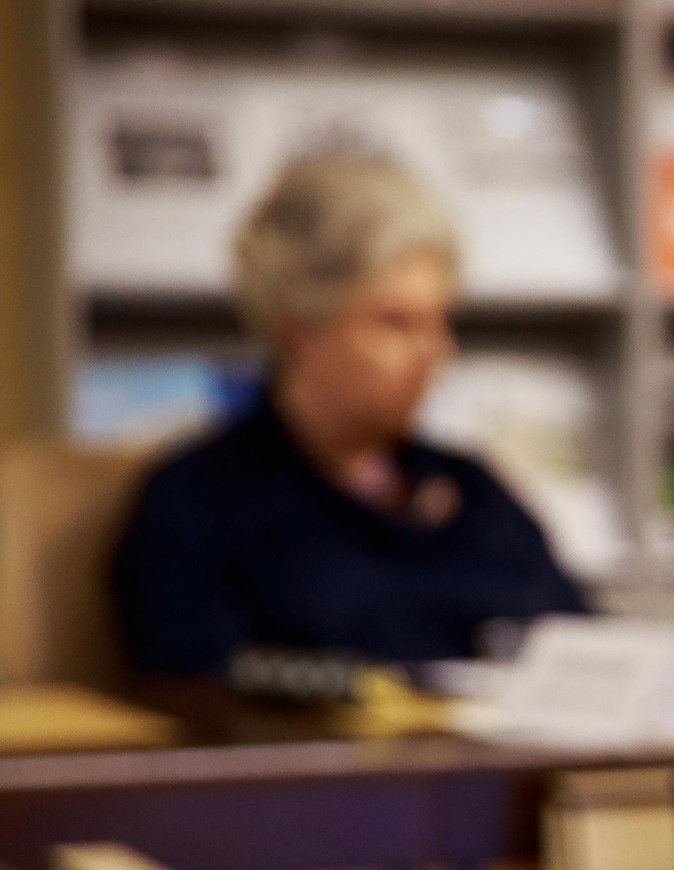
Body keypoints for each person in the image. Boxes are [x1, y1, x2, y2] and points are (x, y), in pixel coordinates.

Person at [112, 152, 584, 679]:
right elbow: (195, 682)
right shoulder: (198, 502)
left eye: (439, 322)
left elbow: (587, 653)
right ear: (300, 331)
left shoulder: (474, 492)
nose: (435, 351)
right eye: (397, 323)